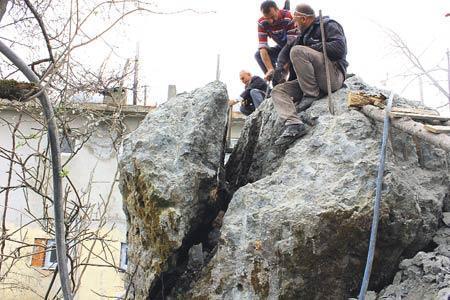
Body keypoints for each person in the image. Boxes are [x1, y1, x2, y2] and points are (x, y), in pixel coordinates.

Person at [271, 3, 348, 144]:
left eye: (295, 20)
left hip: (332, 77)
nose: (294, 24)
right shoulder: (303, 36)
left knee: (298, 51)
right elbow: (286, 50)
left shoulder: (328, 25)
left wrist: (312, 47)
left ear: (304, 19)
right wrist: (279, 68)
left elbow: (340, 49)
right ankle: (294, 124)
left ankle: (311, 94)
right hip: (313, 81)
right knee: (278, 91)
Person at [256, 1, 297, 80]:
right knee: (258, 55)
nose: (270, 21)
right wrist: (270, 69)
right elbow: (262, 48)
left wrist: (284, 68)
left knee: (292, 54)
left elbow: (292, 44)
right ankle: (275, 80)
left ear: (277, 10)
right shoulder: (262, 23)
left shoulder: (288, 17)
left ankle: (285, 77)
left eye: (272, 17)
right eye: (267, 18)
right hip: (281, 47)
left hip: (293, 46)